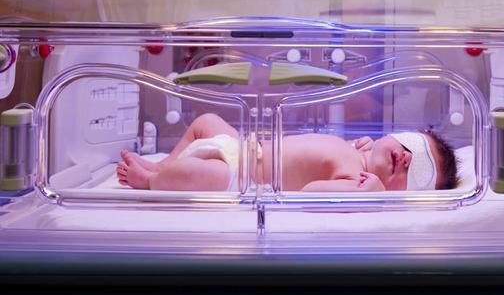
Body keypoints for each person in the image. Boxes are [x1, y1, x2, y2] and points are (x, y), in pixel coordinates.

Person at [117, 112, 458, 192]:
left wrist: (373, 193)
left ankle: (152, 182)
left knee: (192, 176)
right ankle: (163, 163)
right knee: (206, 121)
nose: (409, 157)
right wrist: (365, 151)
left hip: (243, 177)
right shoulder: (361, 151)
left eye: (421, 172)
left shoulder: (356, 181)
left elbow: (311, 191)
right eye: (412, 145)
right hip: (242, 146)